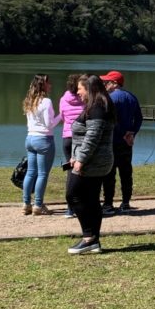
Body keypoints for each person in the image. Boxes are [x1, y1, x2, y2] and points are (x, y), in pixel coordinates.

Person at [66, 74, 116, 254]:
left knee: (73, 195)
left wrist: (81, 159)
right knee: (91, 199)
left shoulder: (97, 108)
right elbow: (84, 137)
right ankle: (94, 240)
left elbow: (92, 137)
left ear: (89, 89)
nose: (77, 92)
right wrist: (75, 155)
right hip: (95, 161)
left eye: (79, 88)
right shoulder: (98, 106)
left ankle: (88, 237)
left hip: (92, 163)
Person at [100, 70, 143, 215]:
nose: (104, 84)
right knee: (126, 173)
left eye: (107, 82)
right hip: (126, 142)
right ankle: (125, 203)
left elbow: (109, 120)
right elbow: (139, 118)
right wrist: (132, 132)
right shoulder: (132, 97)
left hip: (112, 141)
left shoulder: (109, 98)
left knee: (108, 174)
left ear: (114, 83)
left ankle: (108, 204)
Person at [21, 74, 63, 216]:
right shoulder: (46, 102)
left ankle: (26, 203)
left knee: (31, 172)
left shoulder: (29, 100)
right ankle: (38, 205)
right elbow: (49, 124)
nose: (50, 85)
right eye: (48, 83)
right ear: (42, 85)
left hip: (30, 138)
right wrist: (61, 116)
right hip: (44, 139)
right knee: (43, 174)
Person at [59, 74, 84, 218]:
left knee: (70, 171)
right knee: (83, 171)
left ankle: (69, 208)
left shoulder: (63, 99)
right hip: (81, 139)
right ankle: (82, 205)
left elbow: (62, 117)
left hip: (67, 137)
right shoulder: (85, 99)